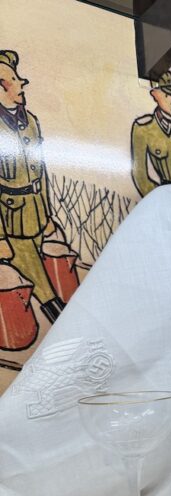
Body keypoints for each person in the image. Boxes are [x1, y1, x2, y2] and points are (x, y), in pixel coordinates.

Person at [0, 50, 65, 323]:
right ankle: (60, 317)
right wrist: (0, 238)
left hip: (36, 214)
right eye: (13, 79)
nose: (21, 83)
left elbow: (43, 173)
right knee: (37, 275)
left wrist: (49, 216)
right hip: (11, 220)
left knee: (36, 271)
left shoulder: (31, 122)